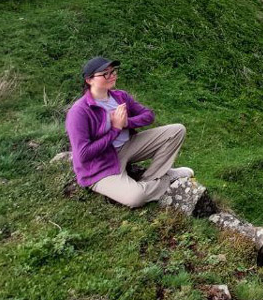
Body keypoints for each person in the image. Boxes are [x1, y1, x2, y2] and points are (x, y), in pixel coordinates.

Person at [66, 56, 193, 208]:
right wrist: (115, 129)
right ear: (89, 80)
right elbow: (83, 155)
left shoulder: (120, 96)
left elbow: (148, 115)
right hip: (101, 164)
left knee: (177, 130)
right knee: (136, 199)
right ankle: (164, 179)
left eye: (113, 71)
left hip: (128, 146)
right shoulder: (79, 111)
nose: (112, 75)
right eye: (105, 73)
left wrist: (126, 123)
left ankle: (152, 177)